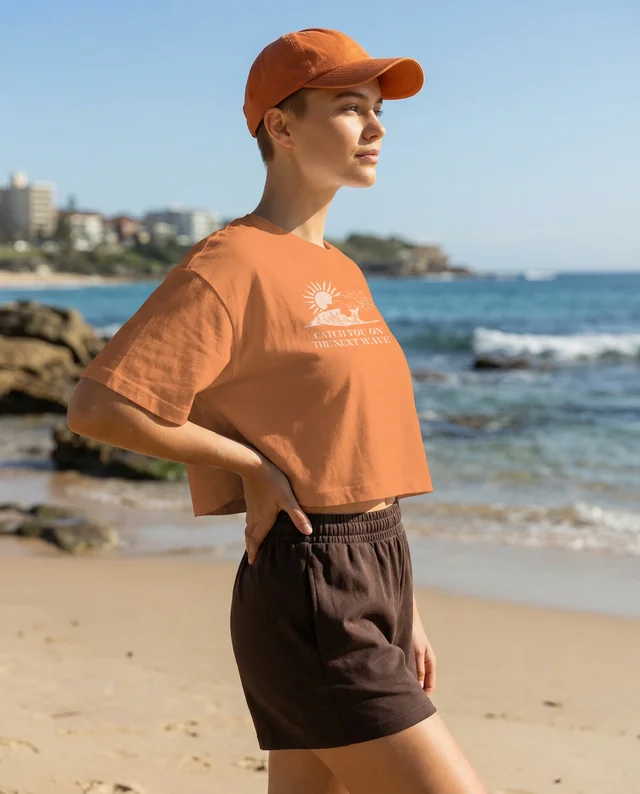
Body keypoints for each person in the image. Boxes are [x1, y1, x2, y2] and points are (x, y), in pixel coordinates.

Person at [67, 27, 487, 794]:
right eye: (350, 107)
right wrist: (247, 465)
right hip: (309, 582)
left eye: (378, 110)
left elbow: (355, 448)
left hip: (373, 566)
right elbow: (100, 405)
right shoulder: (231, 262)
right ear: (281, 126)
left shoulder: (340, 268)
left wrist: (405, 607)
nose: (377, 127)